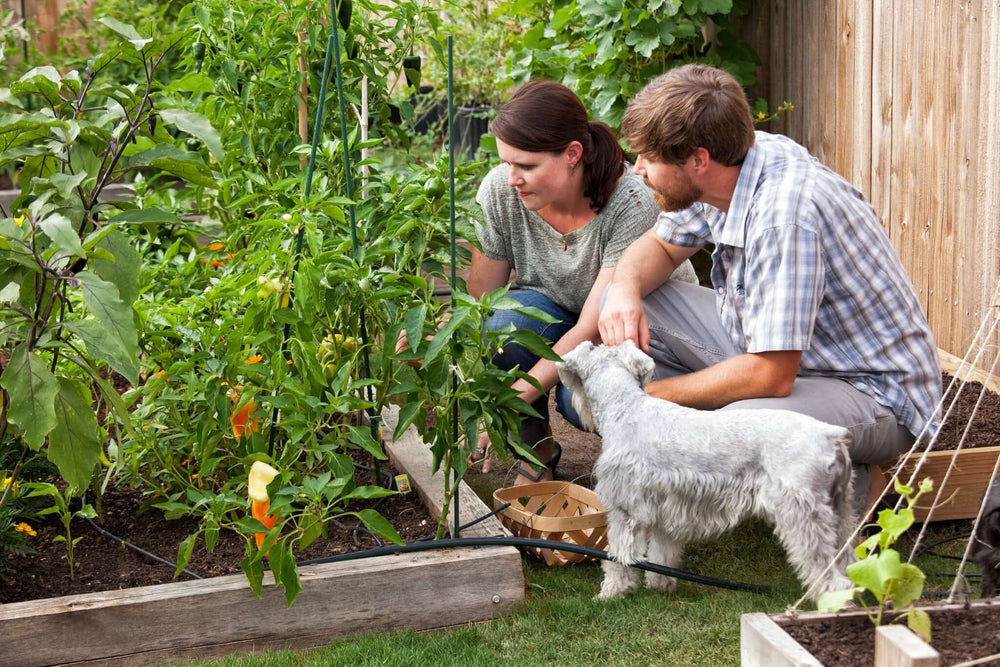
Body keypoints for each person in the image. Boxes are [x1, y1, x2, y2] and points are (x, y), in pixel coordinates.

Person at [598, 64, 941, 515]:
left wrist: (650, 400)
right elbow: (660, 247)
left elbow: (770, 375)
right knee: (634, 299)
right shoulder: (740, 164)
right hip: (782, 356)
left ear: (699, 160)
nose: (637, 168)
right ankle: (831, 466)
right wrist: (622, 290)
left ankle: (853, 489)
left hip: (869, 391)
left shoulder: (784, 216)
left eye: (649, 157)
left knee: (731, 431)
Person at [467, 79, 697, 484]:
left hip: (637, 333)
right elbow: (481, 302)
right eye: (506, 162)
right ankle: (534, 455)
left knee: (582, 401)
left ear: (573, 154)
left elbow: (593, 326)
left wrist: (509, 400)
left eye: (526, 166)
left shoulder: (629, 201)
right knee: (501, 326)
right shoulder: (502, 194)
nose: (511, 178)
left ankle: (652, 466)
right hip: (562, 316)